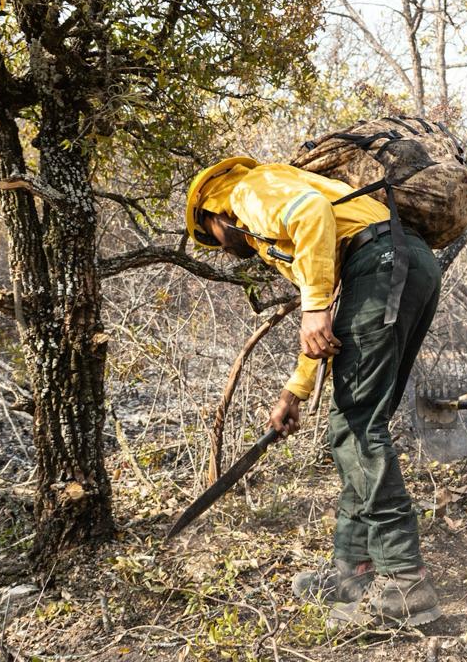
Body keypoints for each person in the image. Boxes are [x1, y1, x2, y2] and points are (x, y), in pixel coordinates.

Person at [185, 156, 442, 627]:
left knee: (357, 425)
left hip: (382, 264)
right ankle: (353, 569)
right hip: (406, 262)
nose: (222, 249)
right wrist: (294, 393)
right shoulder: (279, 194)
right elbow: (325, 326)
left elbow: (310, 215)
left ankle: (405, 579)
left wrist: (315, 307)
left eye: (212, 238)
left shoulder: (246, 192)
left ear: (213, 214)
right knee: (355, 420)